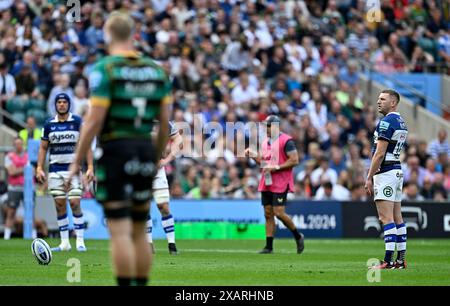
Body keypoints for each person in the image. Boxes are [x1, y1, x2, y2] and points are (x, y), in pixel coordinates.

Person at [67, 12, 171, 286]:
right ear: (134, 34)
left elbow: (95, 120)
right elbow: (165, 124)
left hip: (116, 150)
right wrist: (156, 157)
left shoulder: (105, 68)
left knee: (120, 231)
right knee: (139, 228)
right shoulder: (157, 71)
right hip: (146, 152)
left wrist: (76, 162)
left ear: (107, 34)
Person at [36, 93, 94, 252]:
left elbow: (86, 144)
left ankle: (80, 241)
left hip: (73, 171)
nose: (61, 104)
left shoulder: (77, 122)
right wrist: (39, 168)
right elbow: (43, 148)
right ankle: (64, 243)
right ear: (55, 105)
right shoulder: (49, 124)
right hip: (55, 170)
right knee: (60, 205)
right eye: (59, 102)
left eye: (64, 102)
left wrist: (90, 167)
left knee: (75, 202)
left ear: (69, 104)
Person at [245, 115, 304, 254]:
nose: (266, 128)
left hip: (280, 181)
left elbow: (294, 160)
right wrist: (253, 156)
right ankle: (269, 246)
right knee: (267, 213)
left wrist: (276, 167)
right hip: (267, 181)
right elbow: (264, 163)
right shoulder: (266, 142)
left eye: (268, 126)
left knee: (279, 213)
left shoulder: (286, 141)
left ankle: (297, 235)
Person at [365, 89, 408, 269]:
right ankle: (400, 260)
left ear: (393, 102)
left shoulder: (386, 121)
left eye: (383, 99)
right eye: (378, 98)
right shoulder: (401, 121)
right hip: (397, 170)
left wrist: (369, 177)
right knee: (398, 217)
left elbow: (380, 153)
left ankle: (388, 261)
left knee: (386, 218)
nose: (378, 101)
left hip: (386, 172)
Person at [146, 120, 183, 255]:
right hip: (140, 169)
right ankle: (148, 244)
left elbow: (179, 141)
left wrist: (166, 160)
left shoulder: (165, 122)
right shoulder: (138, 118)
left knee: (164, 207)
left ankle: (171, 244)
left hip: (157, 170)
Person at [3, 138, 28, 239]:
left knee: (30, 212)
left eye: (20, 144)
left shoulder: (28, 156)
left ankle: (34, 236)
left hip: (27, 188)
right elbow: (11, 172)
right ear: (14, 145)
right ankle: (6, 236)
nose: (19, 146)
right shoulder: (9, 156)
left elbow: (34, 170)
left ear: (23, 144)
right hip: (14, 188)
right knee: (11, 212)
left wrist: (18, 169)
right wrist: (25, 169)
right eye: (16, 144)